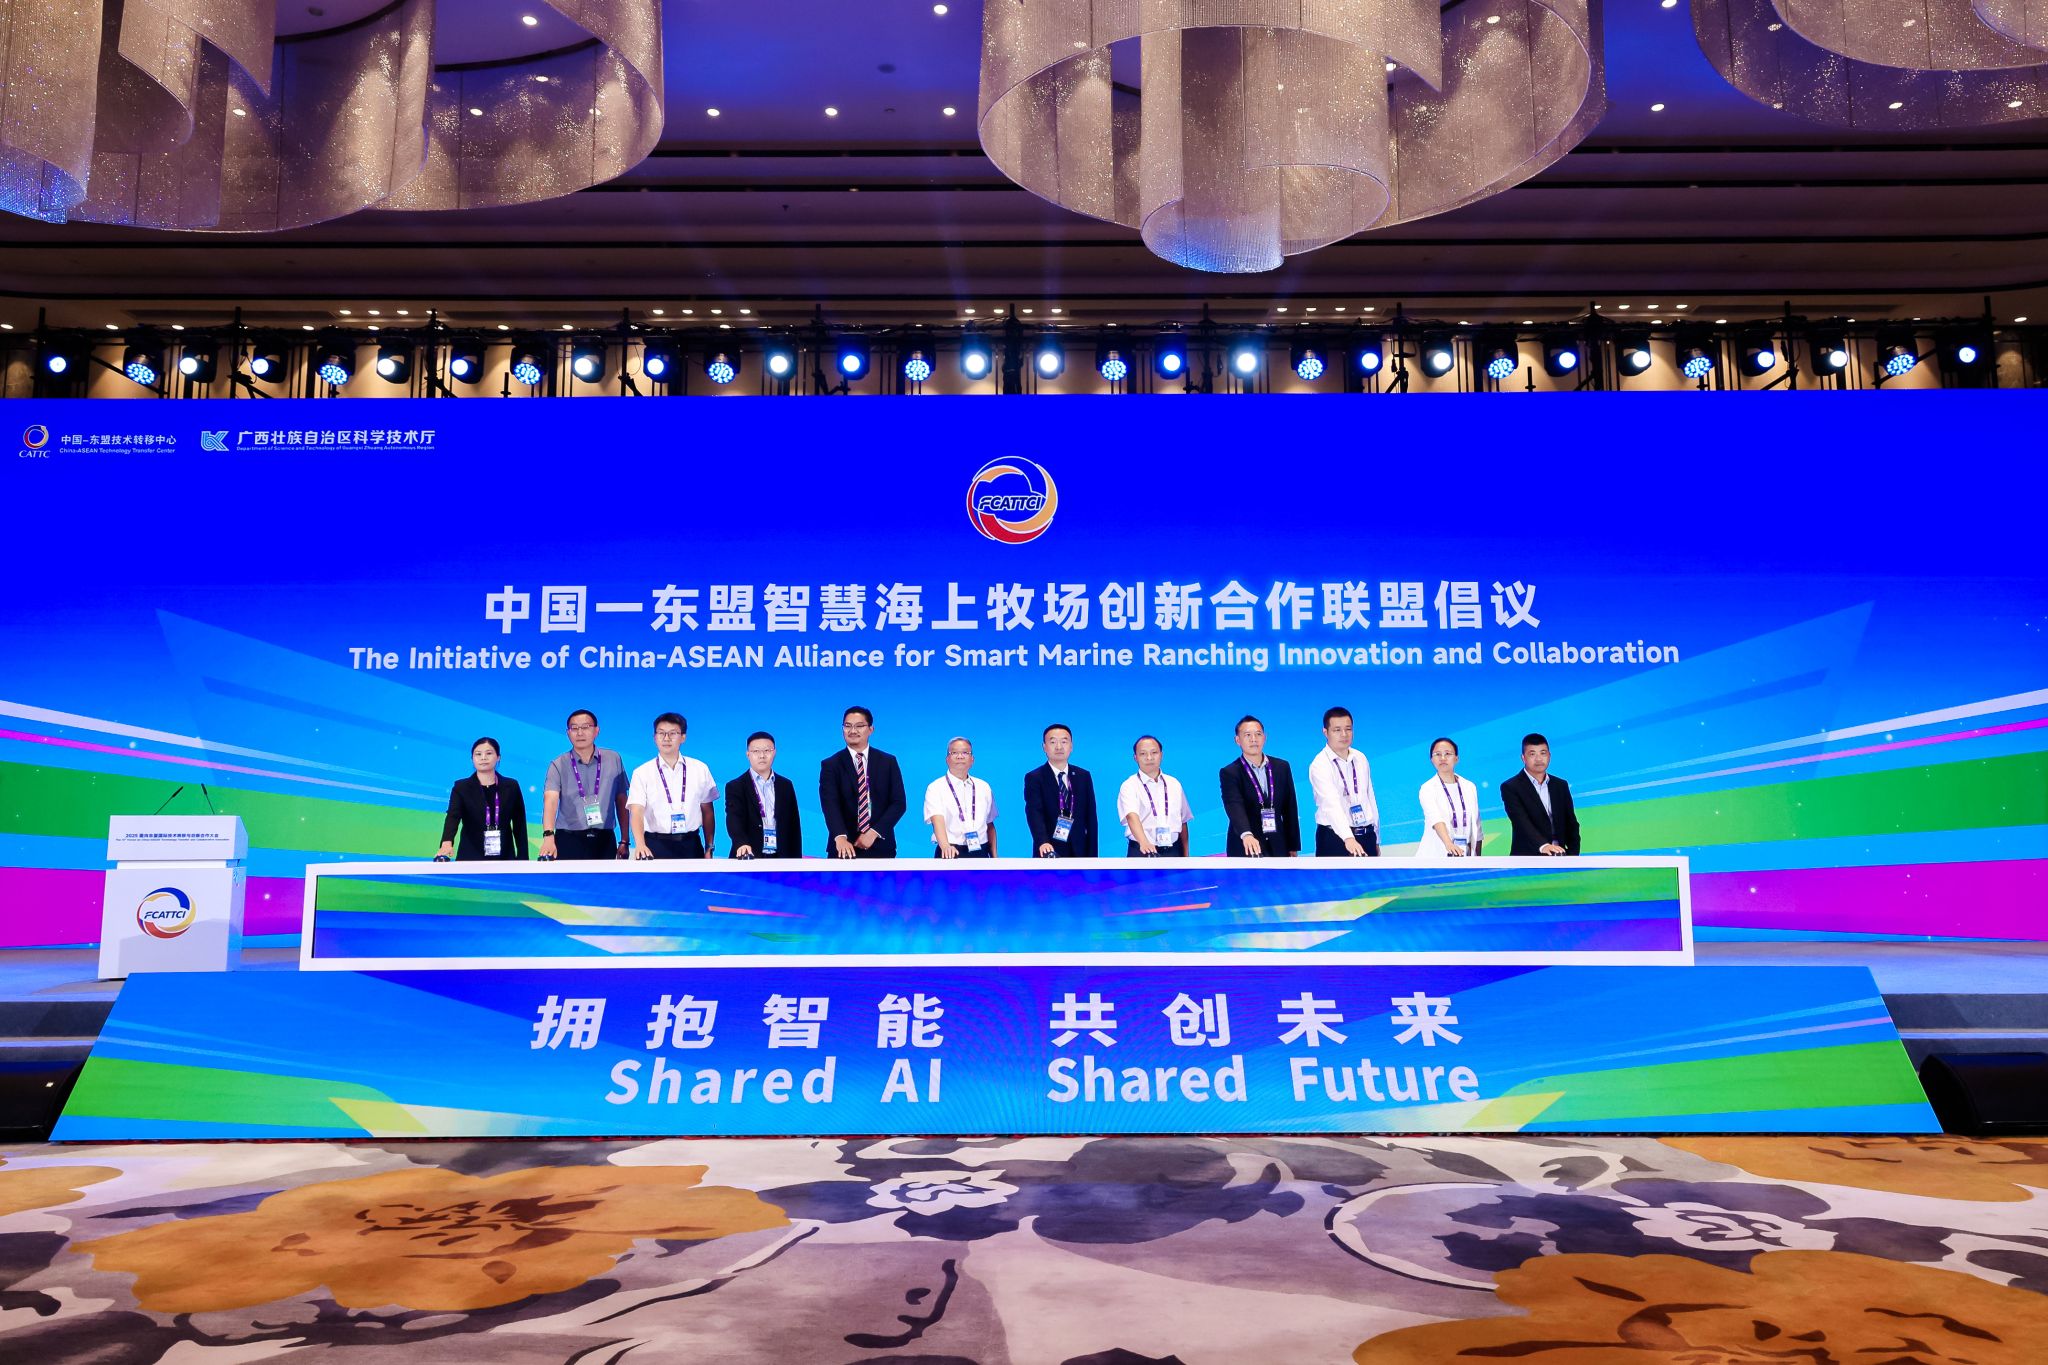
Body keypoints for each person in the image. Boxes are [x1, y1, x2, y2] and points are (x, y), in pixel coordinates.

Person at [541, 709, 630, 860]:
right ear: (568, 733)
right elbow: (550, 800)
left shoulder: (613, 759)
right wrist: (548, 837)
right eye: (574, 728)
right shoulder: (558, 764)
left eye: (585, 727)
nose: (580, 733)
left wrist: (625, 840)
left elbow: (622, 800)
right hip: (569, 839)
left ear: (596, 731)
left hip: (604, 839)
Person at [820, 705, 907, 858]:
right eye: (848, 726)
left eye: (859, 726)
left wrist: (873, 833)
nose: (853, 731)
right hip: (843, 848)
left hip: (880, 846)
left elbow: (898, 803)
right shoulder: (831, 765)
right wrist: (840, 837)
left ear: (871, 729)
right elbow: (830, 804)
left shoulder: (888, 762)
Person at [628, 712, 717, 859]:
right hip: (654, 845)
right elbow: (636, 811)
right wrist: (640, 844)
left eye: (673, 733)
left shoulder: (700, 768)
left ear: (683, 737)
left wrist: (709, 846)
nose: (666, 738)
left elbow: (708, 811)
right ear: (654, 738)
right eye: (661, 733)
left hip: (691, 844)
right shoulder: (642, 772)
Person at [1218, 715, 1301, 857]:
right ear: (1237, 740)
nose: (1253, 739)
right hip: (1246, 845)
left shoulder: (1282, 767)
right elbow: (1234, 805)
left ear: (1264, 737)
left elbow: (1290, 808)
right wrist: (1246, 834)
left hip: (1278, 844)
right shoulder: (1230, 772)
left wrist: (1293, 845)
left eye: (1258, 734)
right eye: (1247, 735)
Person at [437, 736, 527, 862]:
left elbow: (519, 824)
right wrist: (447, 842)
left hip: (505, 857)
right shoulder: (461, 787)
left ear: (498, 757)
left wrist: (523, 858)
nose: (483, 758)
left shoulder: (511, 786)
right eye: (478, 754)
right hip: (470, 856)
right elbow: (453, 817)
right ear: (472, 759)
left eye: (489, 753)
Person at [1307, 706, 1381, 857]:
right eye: (1337, 730)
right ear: (1325, 732)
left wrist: (1376, 838)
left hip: (1366, 835)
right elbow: (1330, 805)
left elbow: (1370, 798)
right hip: (1335, 839)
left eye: (1348, 729)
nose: (1344, 734)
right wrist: (1348, 838)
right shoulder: (1320, 764)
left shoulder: (1360, 758)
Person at [1023, 723, 1098, 858]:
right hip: (1049, 850)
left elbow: (1091, 817)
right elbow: (1034, 813)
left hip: (1080, 851)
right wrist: (1043, 842)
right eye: (1053, 742)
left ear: (1071, 746)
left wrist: (1093, 855)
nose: (1059, 747)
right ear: (1044, 747)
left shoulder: (1083, 776)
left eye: (1064, 741)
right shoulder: (1035, 777)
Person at [1501, 732, 1580, 856]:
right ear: (1523, 758)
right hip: (1527, 857)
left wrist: (1573, 855)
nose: (1538, 759)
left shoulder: (1560, 785)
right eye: (1532, 754)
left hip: (1561, 855)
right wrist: (1543, 846)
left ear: (1549, 756)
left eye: (1543, 753)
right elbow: (1521, 822)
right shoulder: (1511, 787)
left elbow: (1571, 823)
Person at [727, 730, 803, 860]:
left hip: (782, 857)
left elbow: (794, 825)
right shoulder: (736, 786)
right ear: (748, 754)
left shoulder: (786, 785)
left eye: (767, 750)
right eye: (756, 751)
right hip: (748, 855)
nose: (762, 755)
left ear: (774, 752)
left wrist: (796, 860)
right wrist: (741, 843)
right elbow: (734, 818)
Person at [924, 736, 998, 857]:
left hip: (981, 851)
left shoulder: (984, 787)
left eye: (965, 752)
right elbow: (937, 820)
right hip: (950, 851)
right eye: (954, 753)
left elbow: (990, 825)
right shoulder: (935, 787)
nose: (960, 756)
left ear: (972, 759)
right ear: (947, 759)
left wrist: (995, 857)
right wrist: (945, 846)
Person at [1118, 734, 1189, 856]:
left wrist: (1186, 855)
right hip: (1142, 850)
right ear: (1135, 757)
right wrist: (1144, 842)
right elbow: (1131, 816)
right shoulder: (1129, 785)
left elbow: (1183, 821)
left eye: (1154, 752)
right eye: (1143, 754)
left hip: (1173, 850)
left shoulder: (1174, 784)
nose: (1149, 758)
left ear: (1161, 755)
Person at [1417, 736, 1483, 859]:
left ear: (1456, 758)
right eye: (1437, 754)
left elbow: (1476, 825)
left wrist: (1477, 857)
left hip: (1465, 856)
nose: (1443, 758)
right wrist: (1448, 844)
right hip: (1435, 856)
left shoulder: (1469, 786)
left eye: (1448, 754)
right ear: (1432, 759)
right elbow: (1435, 818)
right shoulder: (1427, 788)